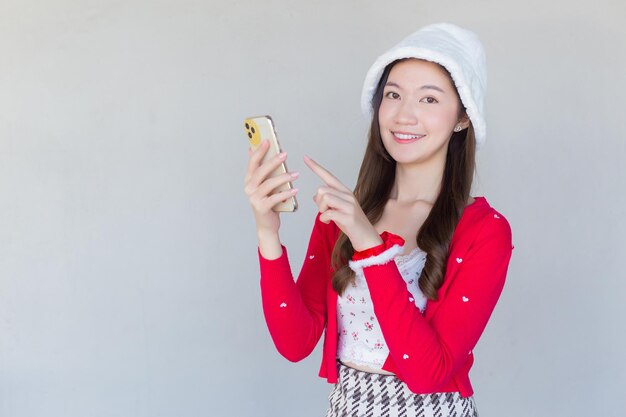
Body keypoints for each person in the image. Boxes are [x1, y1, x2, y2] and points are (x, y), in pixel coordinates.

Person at [244, 23, 513, 417]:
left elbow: (427, 372)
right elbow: (295, 342)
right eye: (393, 94)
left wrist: (370, 245)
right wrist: (267, 232)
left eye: (429, 99)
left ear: (463, 118)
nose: (405, 115)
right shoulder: (345, 216)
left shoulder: (486, 231)